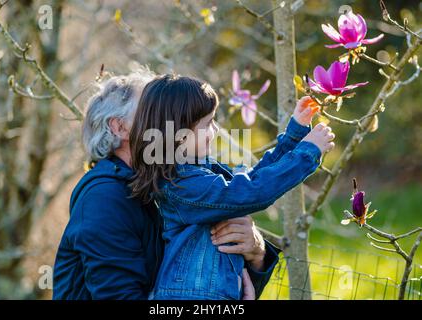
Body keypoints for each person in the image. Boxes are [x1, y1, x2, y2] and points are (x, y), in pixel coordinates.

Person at [52, 71, 280, 299]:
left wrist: (255, 252)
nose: (171, 121)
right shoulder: (104, 199)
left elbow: (199, 282)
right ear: (120, 128)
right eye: (151, 112)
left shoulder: (172, 183)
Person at [128, 74, 335, 300]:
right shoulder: (182, 184)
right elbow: (252, 191)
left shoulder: (198, 172)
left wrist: (295, 134)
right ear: (178, 133)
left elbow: (253, 178)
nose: (215, 131)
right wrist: (307, 153)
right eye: (208, 124)